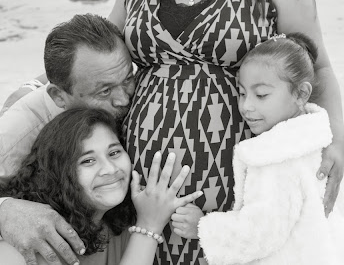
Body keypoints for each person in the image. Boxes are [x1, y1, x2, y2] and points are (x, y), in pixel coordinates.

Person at [104, 0, 344, 264]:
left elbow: (317, 68)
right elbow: (95, 55)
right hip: (144, 192)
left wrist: (336, 140)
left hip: (241, 190)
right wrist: (35, 90)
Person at [174, 33, 344, 264]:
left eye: (261, 95)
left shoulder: (278, 156)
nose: (246, 106)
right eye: (242, 93)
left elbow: (262, 233)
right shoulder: (316, 141)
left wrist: (203, 227)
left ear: (301, 94)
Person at [0, 14, 136, 265]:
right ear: (59, 96)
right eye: (105, 91)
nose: (123, 99)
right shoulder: (14, 138)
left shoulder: (96, 74)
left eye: (128, 78)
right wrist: (4, 210)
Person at [0, 108, 203, 265]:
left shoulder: (116, 225)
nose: (110, 169)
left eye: (114, 153)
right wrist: (148, 227)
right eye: (88, 161)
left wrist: (203, 224)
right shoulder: (27, 242)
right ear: (58, 174)